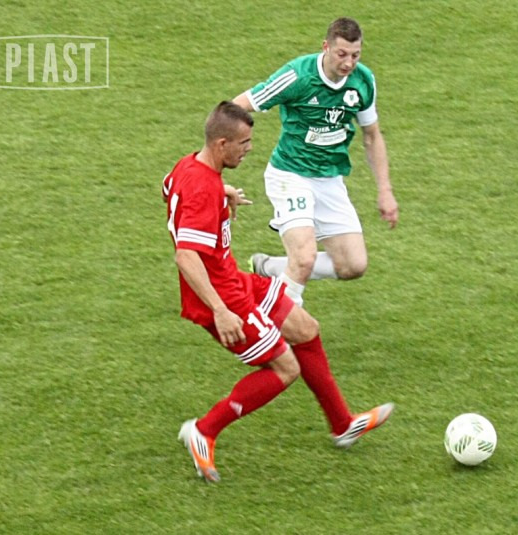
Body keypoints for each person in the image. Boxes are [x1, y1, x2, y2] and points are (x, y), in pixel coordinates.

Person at [163, 101, 393, 483]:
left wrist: (222, 193)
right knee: (286, 368)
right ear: (221, 144)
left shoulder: (188, 167)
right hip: (223, 298)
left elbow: (173, 191)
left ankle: (342, 424)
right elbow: (185, 256)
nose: (249, 149)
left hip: (235, 280)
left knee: (305, 328)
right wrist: (220, 310)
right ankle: (203, 431)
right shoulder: (202, 187)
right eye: (243, 143)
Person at [232, 17, 398, 306]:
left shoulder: (363, 81)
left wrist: (385, 190)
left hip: (329, 179)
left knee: (353, 265)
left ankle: (270, 269)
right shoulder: (298, 75)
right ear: (326, 47)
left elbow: (372, 136)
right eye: (342, 54)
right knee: (304, 258)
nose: (348, 63)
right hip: (290, 175)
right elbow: (237, 106)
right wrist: (232, 149)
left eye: (355, 55)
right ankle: (277, 326)